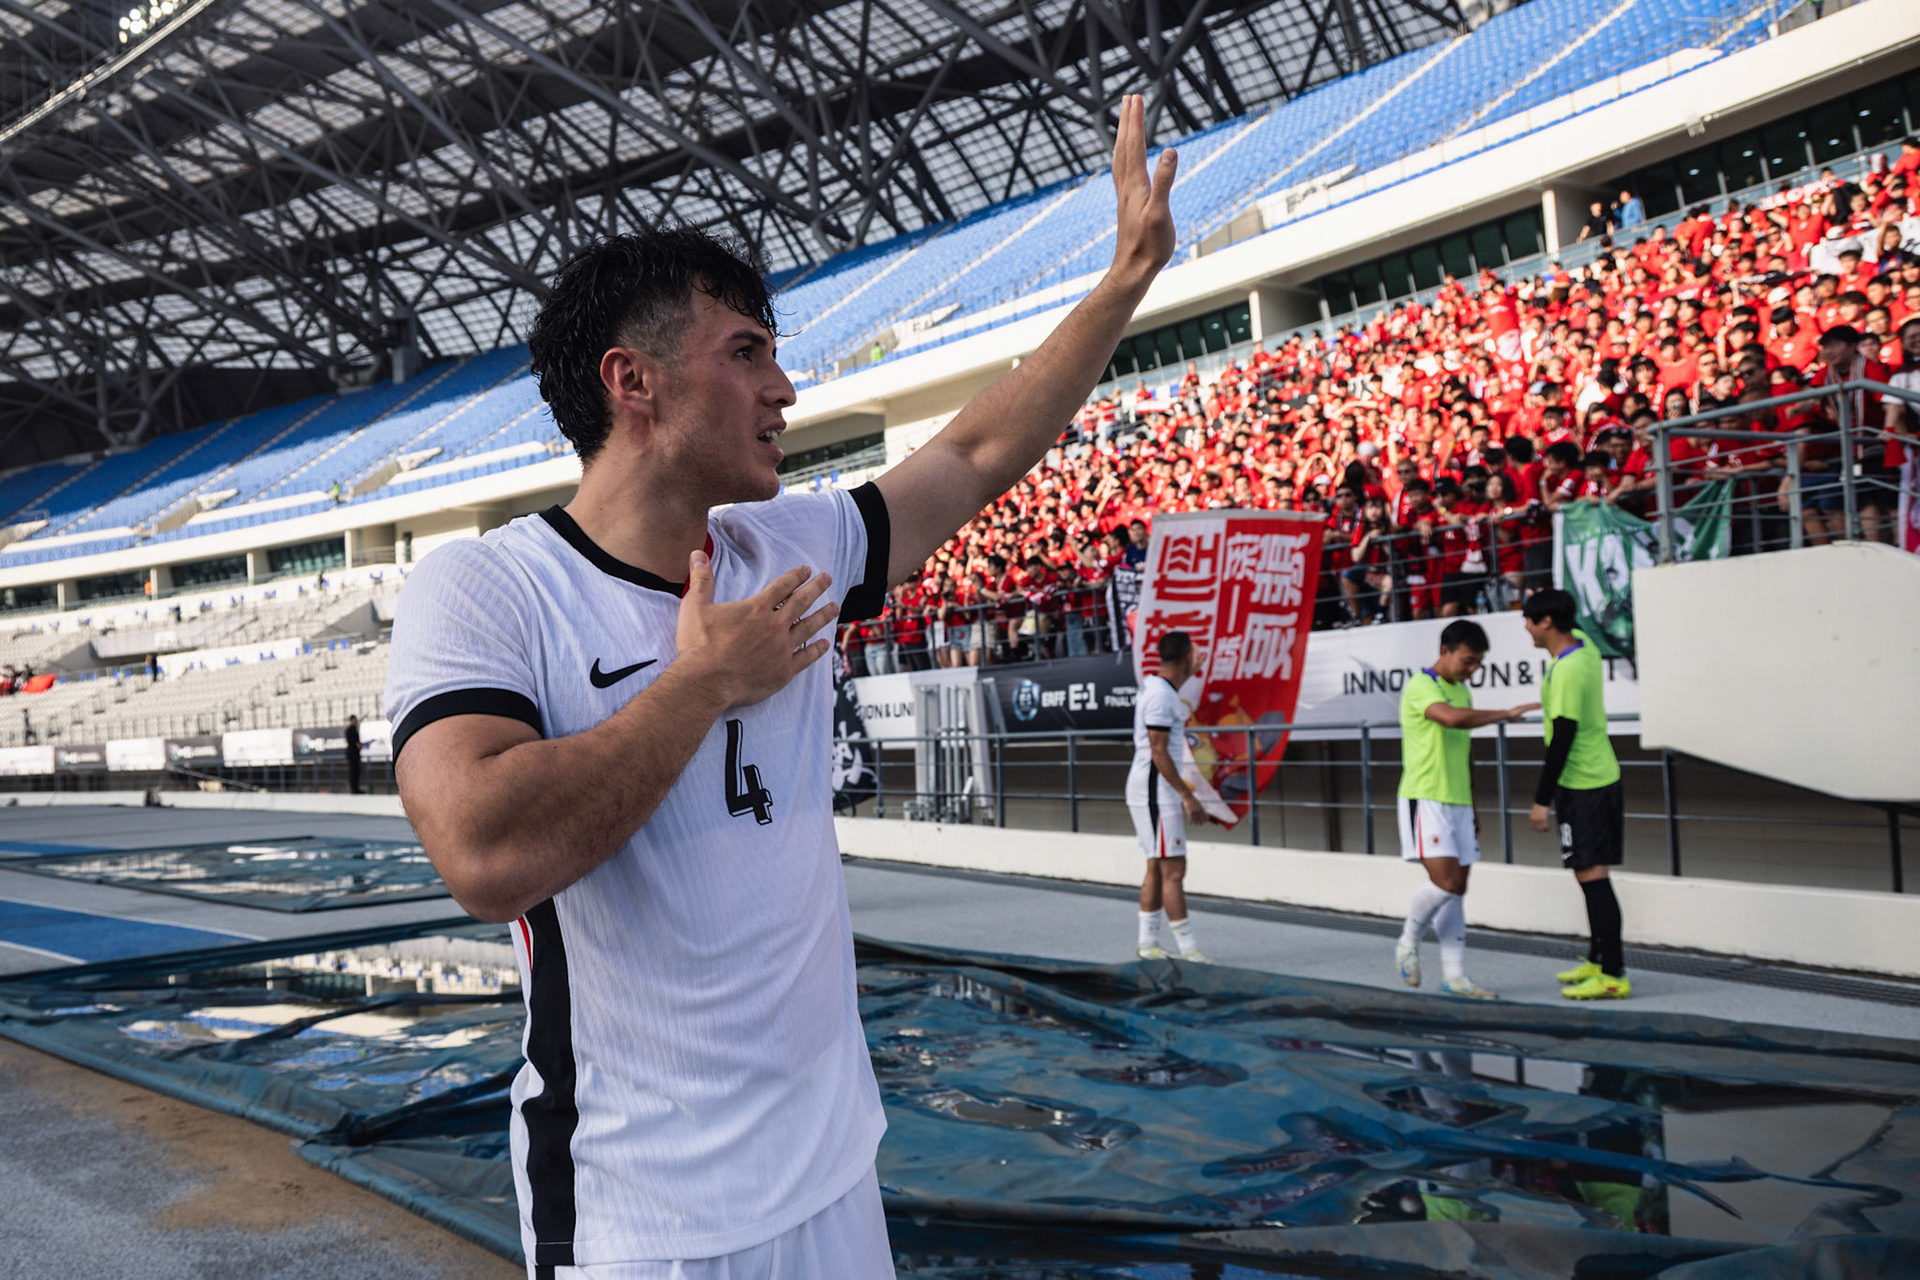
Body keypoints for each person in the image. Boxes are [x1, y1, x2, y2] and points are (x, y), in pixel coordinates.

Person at [385, 95, 1178, 1278]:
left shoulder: (785, 544)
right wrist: (702, 684)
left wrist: (1122, 281)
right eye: (747, 352)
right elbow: (484, 851)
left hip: (835, 1184)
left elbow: (968, 455)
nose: (786, 388)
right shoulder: (488, 588)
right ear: (633, 382)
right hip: (642, 1221)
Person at [1394, 620, 1537, 1001]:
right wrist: (1505, 714)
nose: (1472, 669)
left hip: (1458, 800)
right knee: (1447, 883)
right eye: (1467, 661)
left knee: (1459, 891)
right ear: (1445, 650)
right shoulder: (1422, 685)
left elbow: (1465, 750)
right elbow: (1450, 719)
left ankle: (1455, 975)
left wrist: (1472, 804)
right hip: (1425, 796)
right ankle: (1407, 940)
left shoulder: (1463, 692)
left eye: (1477, 664)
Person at [1523, 590, 1629, 1000]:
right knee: (1587, 875)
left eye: (1530, 621)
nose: (1528, 630)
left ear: (1547, 622)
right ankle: (1598, 959)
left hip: (1586, 783)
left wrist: (1540, 800)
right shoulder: (1582, 646)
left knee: (1593, 877)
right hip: (1594, 779)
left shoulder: (1569, 669)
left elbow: (1562, 737)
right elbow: (1574, 621)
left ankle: (1614, 973)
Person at [1128, 630, 1209, 962]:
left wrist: (1191, 669)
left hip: (1151, 789)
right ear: (1187, 656)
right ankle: (1189, 950)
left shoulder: (1160, 688)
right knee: (1174, 868)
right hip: (1156, 792)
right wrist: (1186, 795)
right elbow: (1159, 751)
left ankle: (1148, 944)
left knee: (1156, 866)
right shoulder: (1162, 697)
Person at [344, 713, 362, 795]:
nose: (356, 722)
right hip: (352, 754)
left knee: (356, 771)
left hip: (355, 754)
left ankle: (356, 788)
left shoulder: (354, 729)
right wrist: (357, 744)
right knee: (353, 772)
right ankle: (353, 788)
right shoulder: (350, 730)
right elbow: (352, 742)